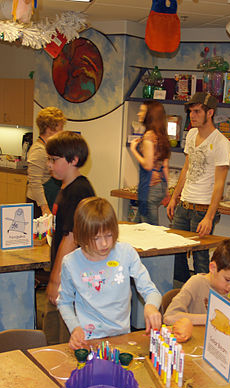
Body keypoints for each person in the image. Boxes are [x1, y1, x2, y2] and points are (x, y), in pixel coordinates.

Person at [58, 197, 163, 350]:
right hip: (88, 340)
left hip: (122, 337)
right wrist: (75, 328)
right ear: (83, 235)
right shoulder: (71, 262)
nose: (105, 244)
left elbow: (151, 291)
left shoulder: (126, 253)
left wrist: (151, 307)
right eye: (96, 238)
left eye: (109, 235)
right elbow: (64, 302)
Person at [166, 91, 230, 282]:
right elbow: (186, 168)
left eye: (196, 112)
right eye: (190, 112)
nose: (192, 116)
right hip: (184, 205)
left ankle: (204, 298)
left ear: (210, 113)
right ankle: (181, 292)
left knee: (200, 257)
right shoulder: (192, 134)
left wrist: (209, 217)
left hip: (202, 209)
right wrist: (174, 198)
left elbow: (219, 183)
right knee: (176, 251)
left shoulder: (221, 143)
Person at [44, 131, 96, 344]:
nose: (50, 165)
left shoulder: (78, 191)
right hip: (65, 275)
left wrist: (56, 280)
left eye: (54, 160)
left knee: (67, 334)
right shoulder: (64, 187)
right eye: (48, 159)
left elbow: (71, 238)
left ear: (73, 160)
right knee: (54, 327)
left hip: (71, 278)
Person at [163, 239, 230, 342]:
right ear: (213, 268)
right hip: (194, 342)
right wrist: (210, 319)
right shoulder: (196, 283)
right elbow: (169, 317)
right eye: (228, 280)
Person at [128, 101, 170, 225]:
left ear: (150, 115)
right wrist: (167, 190)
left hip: (150, 188)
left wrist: (133, 150)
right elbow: (165, 165)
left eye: (142, 111)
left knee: (149, 230)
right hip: (160, 186)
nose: (138, 113)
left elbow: (148, 165)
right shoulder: (161, 135)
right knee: (136, 226)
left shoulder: (148, 136)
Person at [26, 107, 66, 217]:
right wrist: (44, 208)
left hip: (49, 200)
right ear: (49, 129)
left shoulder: (49, 148)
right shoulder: (38, 150)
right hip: (39, 205)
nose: (62, 131)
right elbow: (35, 183)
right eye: (60, 127)